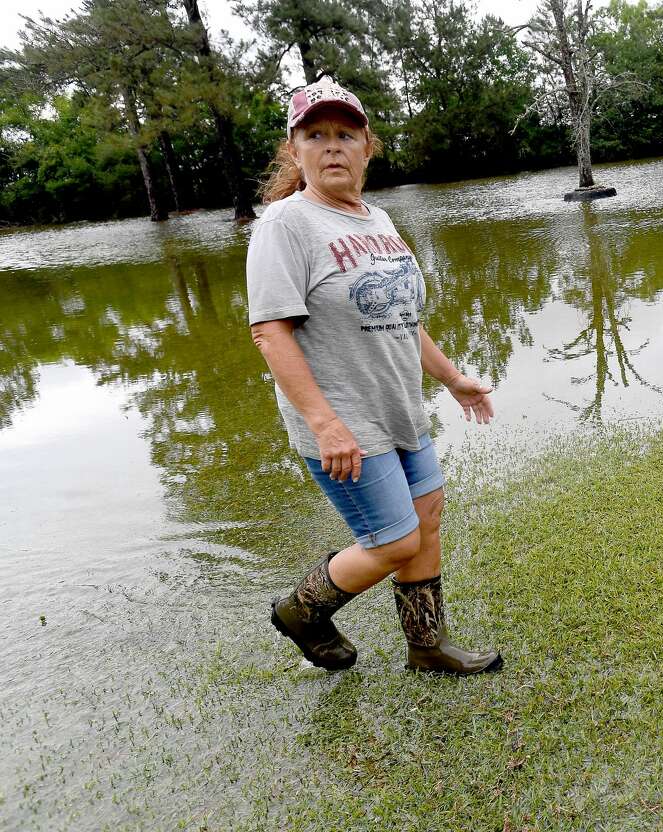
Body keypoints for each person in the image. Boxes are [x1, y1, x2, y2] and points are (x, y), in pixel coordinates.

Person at [245, 75, 501, 675]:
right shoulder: (286, 225)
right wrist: (324, 422)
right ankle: (300, 611)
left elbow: (400, 316)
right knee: (393, 541)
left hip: (398, 409)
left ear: (367, 147)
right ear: (295, 151)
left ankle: (427, 647)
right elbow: (269, 331)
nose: (332, 146)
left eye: (344, 134)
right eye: (315, 135)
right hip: (343, 420)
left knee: (428, 516)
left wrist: (453, 379)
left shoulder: (376, 219)